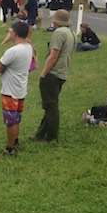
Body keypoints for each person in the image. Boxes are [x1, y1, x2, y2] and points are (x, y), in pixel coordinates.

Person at [33, 9, 75, 142]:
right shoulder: (71, 33)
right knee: (51, 104)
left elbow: (54, 55)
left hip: (53, 73)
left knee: (50, 106)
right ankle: (40, 134)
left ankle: (51, 136)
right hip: (63, 72)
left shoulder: (58, 33)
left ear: (56, 21)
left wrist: (44, 72)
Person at [0, 21, 34, 157]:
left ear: (15, 33)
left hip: (10, 91)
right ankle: (15, 141)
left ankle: (10, 149)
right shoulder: (28, 47)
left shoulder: (13, 51)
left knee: (11, 121)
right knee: (16, 119)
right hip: (21, 89)